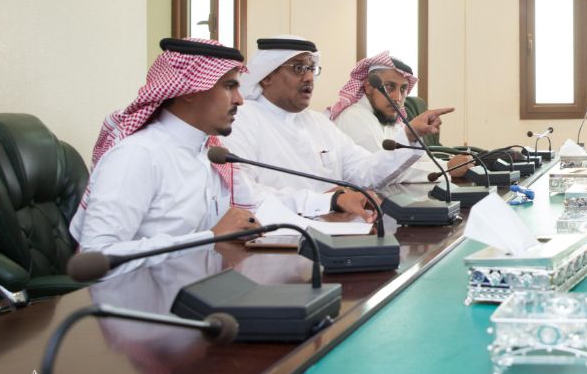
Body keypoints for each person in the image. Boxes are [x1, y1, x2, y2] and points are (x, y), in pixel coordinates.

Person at [70, 38, 262, 274]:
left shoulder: (209, 153)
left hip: (200, 290)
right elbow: (97, 255)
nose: (240, 100)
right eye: (229, 86)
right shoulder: (137, 155)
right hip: (142, 303)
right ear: (191, 90)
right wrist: (210, 237)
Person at [229, 38, 445, 220]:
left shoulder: (317, 122)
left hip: (334, 233)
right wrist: (328, 201)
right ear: (266, 75)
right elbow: (244, 196)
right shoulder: (241, 120)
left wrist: (407, 136)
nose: (309, 77)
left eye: (311, 69)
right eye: (298, 68)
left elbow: (365, 172)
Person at [327, 51, 472, 176]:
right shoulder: (354, 117)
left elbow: (420, 161)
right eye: (389, 87)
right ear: (369, 86)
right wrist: (446, 169)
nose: (397, 98)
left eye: (403, 89)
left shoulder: (390, 121)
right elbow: (384, 171)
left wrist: (453, 163)